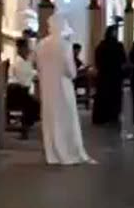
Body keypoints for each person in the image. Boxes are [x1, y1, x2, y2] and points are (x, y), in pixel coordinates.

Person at [37, 16, 94, 165]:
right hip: (63, 88)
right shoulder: (64, 45)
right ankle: (69, 151)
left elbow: (38, 67)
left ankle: (53, 154)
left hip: (47, 88)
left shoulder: (41, 45)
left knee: (51, 121)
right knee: (67, 120)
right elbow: (71, 72)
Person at [91, 25, 127, 126]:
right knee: (107, 97)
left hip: (109, 76)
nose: (115, 34)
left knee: (109, 97)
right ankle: (107, 117)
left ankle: (110, 116)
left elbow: (123, 59)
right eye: (114, 32)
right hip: (109, 76)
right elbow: (122, 59)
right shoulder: (107, 46)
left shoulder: (107, 45)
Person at [7, 38, 39, 140]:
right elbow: (24, 80)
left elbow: (31, 73)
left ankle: (26, 126)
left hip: (22, 90)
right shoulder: (18, 62)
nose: (28, 50)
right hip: (15, 91)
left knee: (35, 104)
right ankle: (24, 129)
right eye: (26, 48)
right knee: (32, 104)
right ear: (20, 49)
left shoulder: (26, 61)